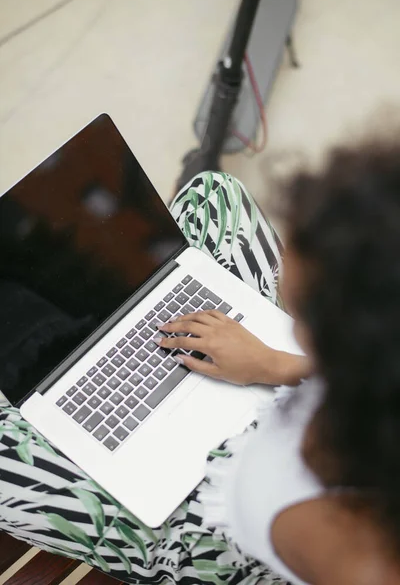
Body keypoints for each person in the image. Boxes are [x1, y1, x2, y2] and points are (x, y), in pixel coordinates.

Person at [0, 135, 399, 585]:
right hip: (294, 406)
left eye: (303, 293)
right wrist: (277, 364)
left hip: (203, 530)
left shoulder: (358, 563)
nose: (283, 269)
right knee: (214, 194)